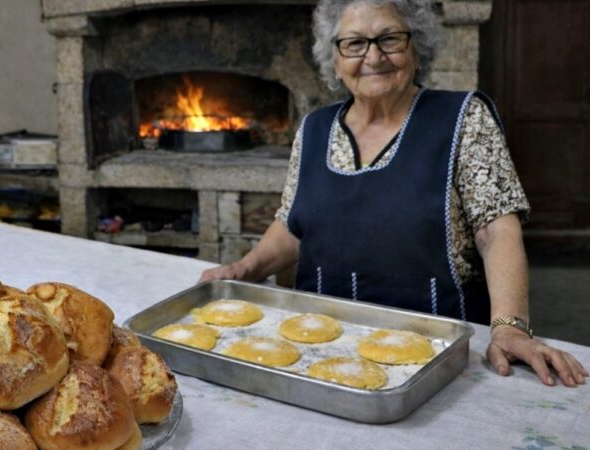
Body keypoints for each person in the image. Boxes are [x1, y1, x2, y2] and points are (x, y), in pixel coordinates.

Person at [200, 0, 587, 387]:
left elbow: (497, 230)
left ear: (416, 47)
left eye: (389, 39)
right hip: (319, 352)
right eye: (354, 43)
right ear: (334, 59)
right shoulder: (314, 129)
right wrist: (244, 269)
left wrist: (510, 327)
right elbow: (293, 223)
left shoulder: (464, 119)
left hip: (438, 358)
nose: (373, 56)